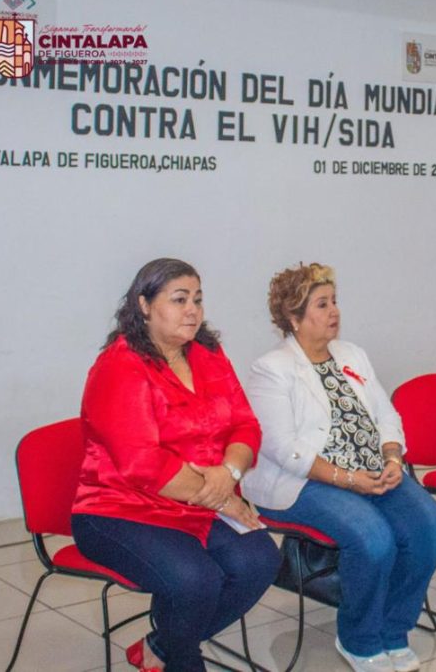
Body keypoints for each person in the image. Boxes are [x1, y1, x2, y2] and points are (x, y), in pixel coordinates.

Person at [71, 258, 280, 672]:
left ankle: (163, 646)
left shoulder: (207, 353)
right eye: (179, 299)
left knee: (261, 562)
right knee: (196, 581)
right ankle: (181, 657)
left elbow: (245, 425)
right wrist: (222, 497)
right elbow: (143, 463)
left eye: (198, 300)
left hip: (198, 503)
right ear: (144, 305)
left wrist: (230, 474)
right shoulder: (120, 364)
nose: (192, 311)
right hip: (120, 510)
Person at [242, 262, 436, 672]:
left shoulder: (353, 354)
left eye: (334, 301)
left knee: (430, 526)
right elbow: (283, 448)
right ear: (294, 317)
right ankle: (359, 639)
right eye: (322, 304)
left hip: (370, 470)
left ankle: (394, 630)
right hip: (303, 481)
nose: (334, 311)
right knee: (373, 538)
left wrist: (393, 458)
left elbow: (386, 415)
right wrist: (348, 479)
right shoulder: (271, 369)